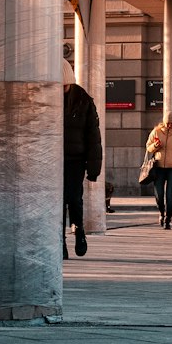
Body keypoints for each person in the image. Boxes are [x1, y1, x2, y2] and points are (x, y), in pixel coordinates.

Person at [62, 59, 102, 259]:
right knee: (57, 202)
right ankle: (59, 240)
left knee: (73, 198)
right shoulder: (48, 98)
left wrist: (93, 169)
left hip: (75, 159)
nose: (61, 89)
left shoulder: (83, 100)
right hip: (53, 160)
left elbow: (93, 136)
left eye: (64, 86)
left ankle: (79, 231)